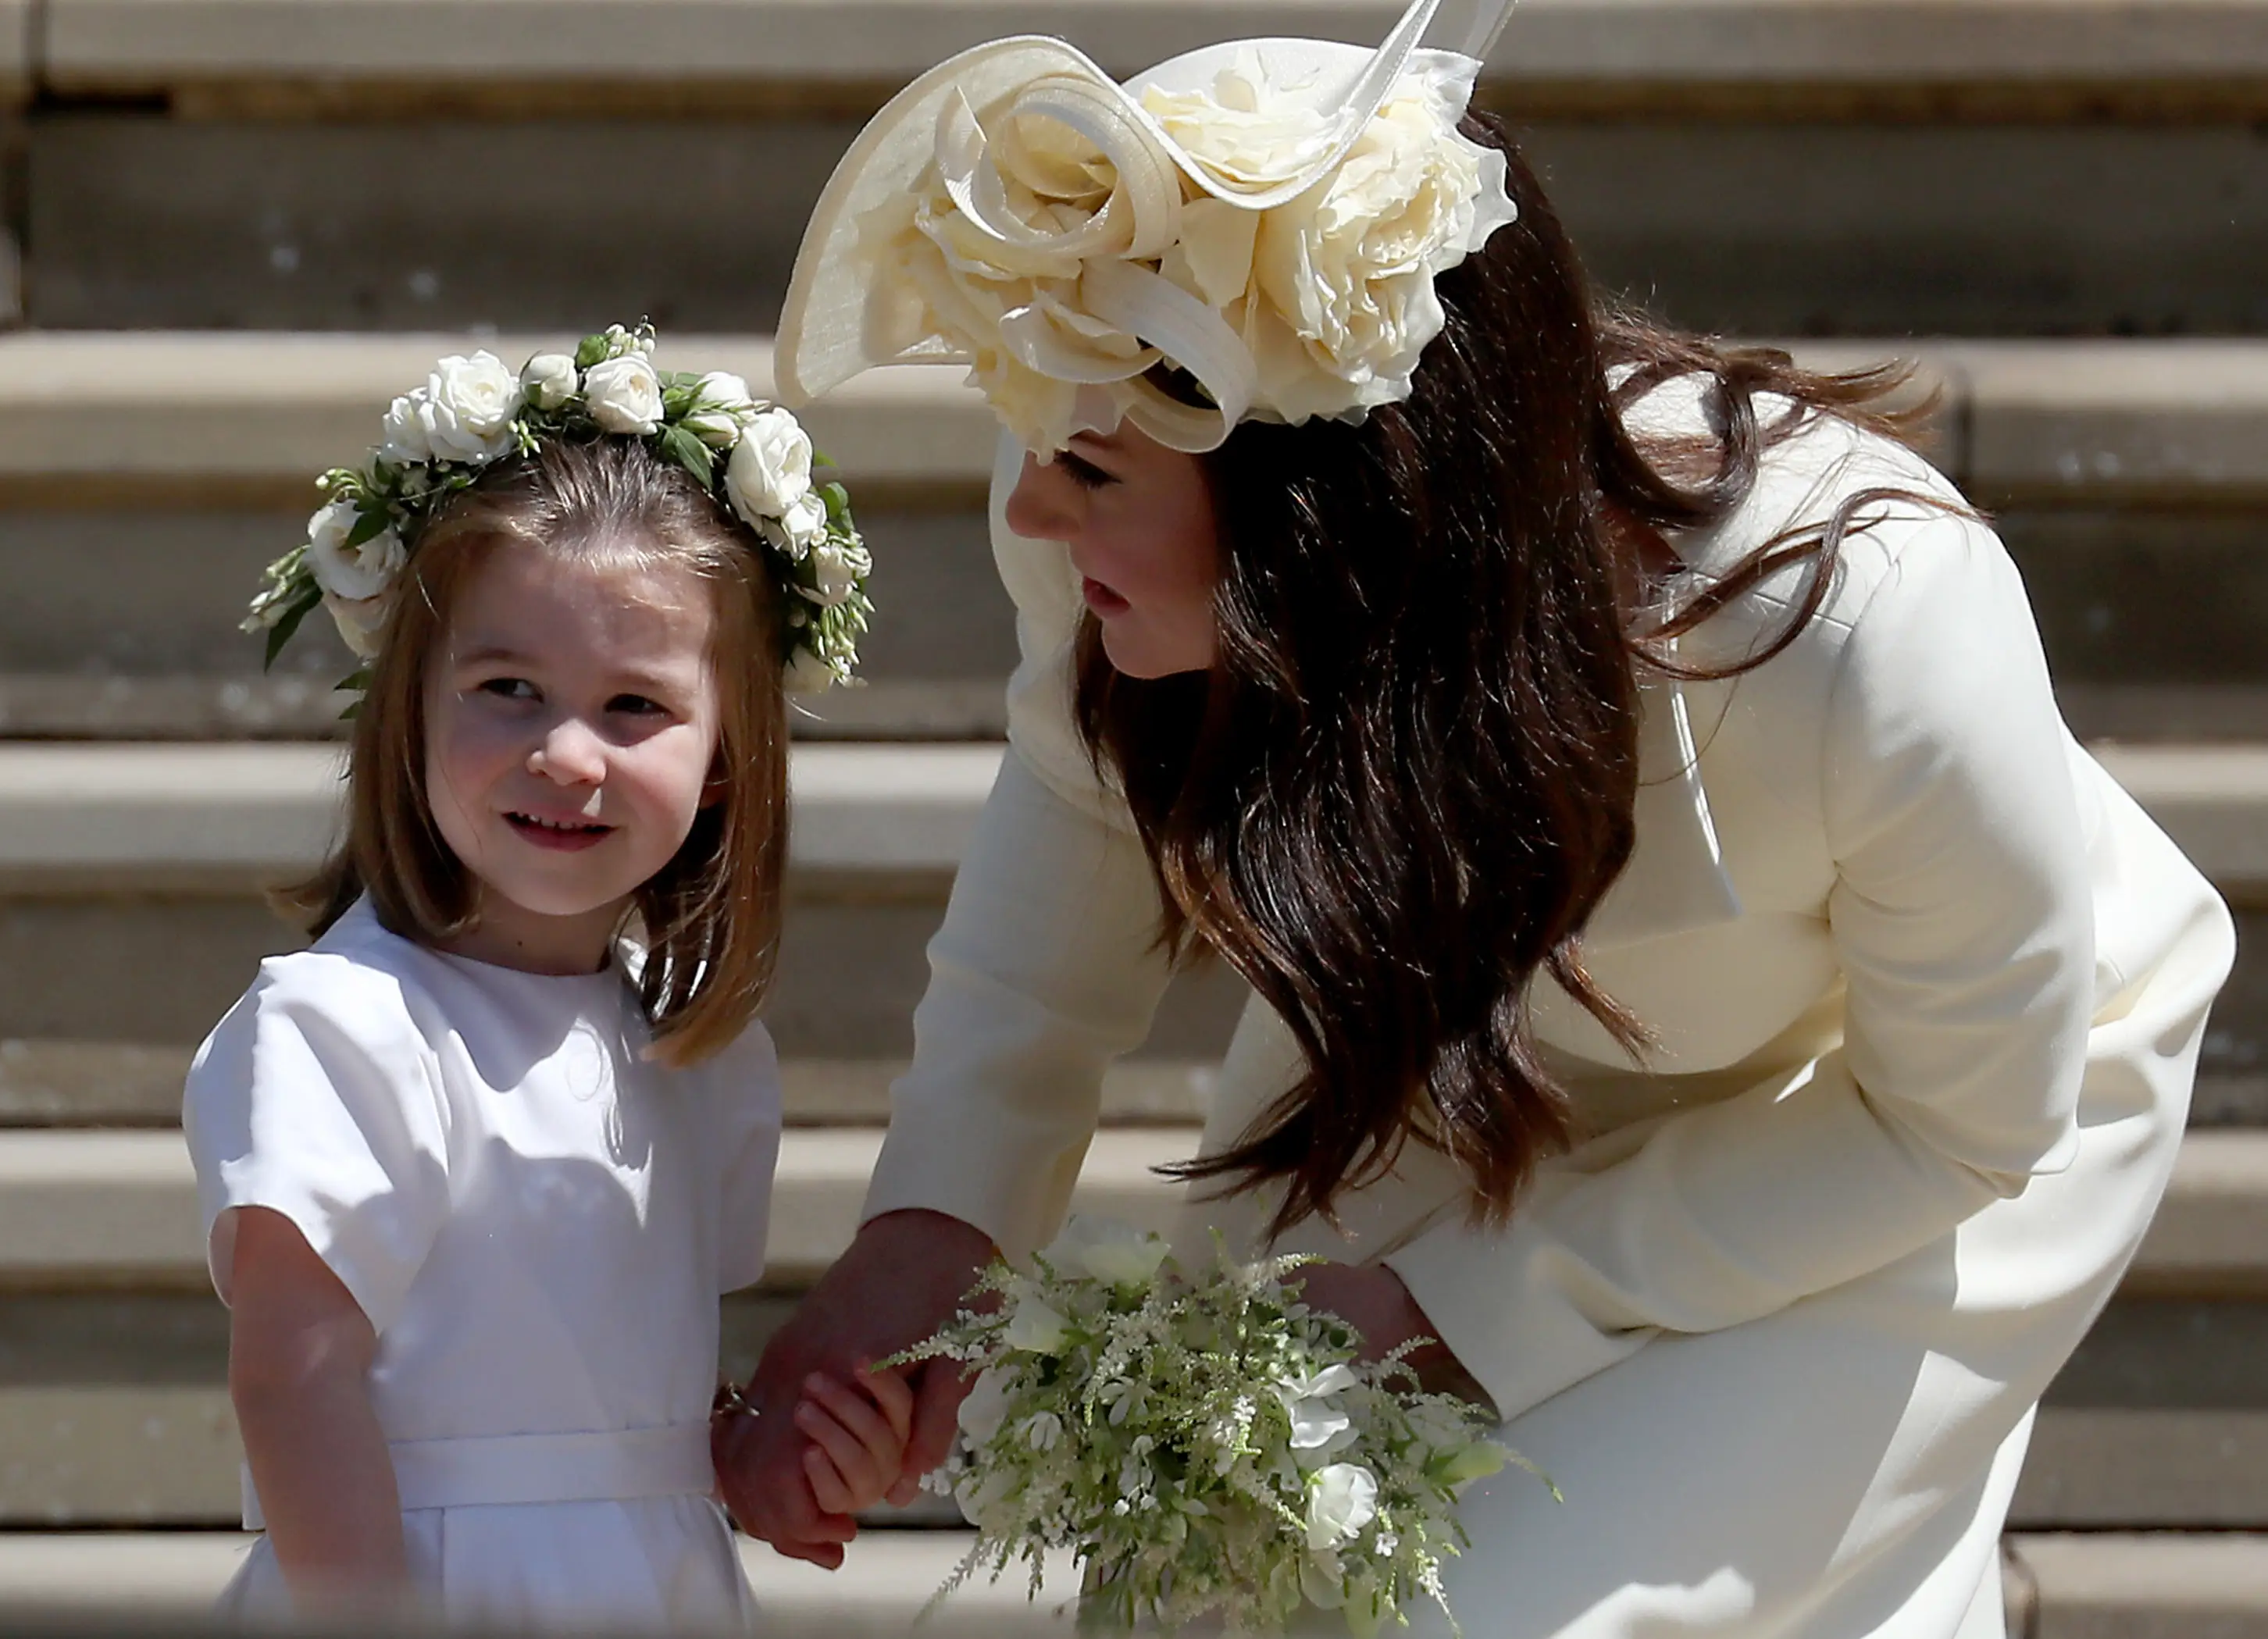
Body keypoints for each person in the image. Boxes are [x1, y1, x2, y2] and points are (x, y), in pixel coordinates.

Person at [721, 2, 2238, 1634]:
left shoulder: (1870, 626)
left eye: (1090, 467)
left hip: (1903, 1117)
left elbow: (1954, 1127)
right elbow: (1077, 843)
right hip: (1468, 1023)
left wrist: (1467, 1304)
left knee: (1506, 1612)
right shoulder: (1118, 538)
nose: (1028, 508)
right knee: (1218, 1582)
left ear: (1329, 502)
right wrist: (929, 1235)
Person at [184, 329, 905, 1628]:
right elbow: (296, 1380)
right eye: (509, 688)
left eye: (634, 706)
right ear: (411, 710)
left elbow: (616, 1398)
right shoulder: (345, 1028)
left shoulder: (693, 1052)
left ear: (728, 755)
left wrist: (751, 1456)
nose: (567, 755)